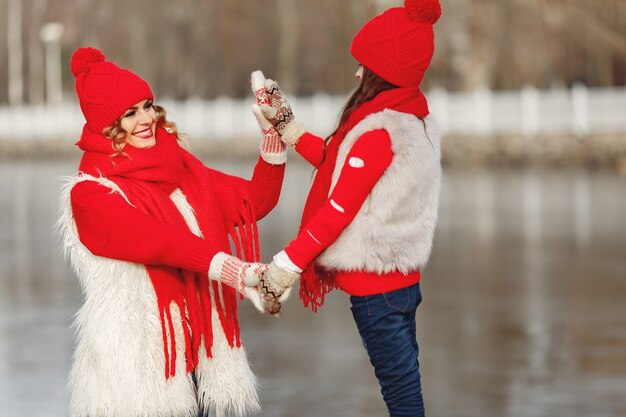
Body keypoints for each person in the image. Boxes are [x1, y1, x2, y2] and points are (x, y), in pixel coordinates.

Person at [57, 47, 286, 417]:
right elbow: (159, 242)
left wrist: (273, 138)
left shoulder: (183, 170)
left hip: (196, 357)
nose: (146, 118)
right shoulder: (90, 194)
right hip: (136, 371)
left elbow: (253, 202)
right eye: (129, 114)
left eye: (147, 105)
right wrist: (236, 271)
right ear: (108, 127)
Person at [254, 1, 443, 415]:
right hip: (402, 281)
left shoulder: (379, 131)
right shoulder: (409, 115)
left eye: (365, 65)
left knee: (402, 396)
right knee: (405, 385)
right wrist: (290, 129)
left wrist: (286, 265)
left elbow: (338, 208)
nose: (357, 73)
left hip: (378, 289)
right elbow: (337, 163)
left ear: (383, 70)